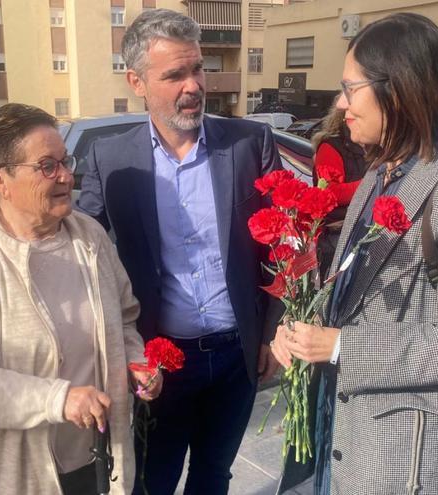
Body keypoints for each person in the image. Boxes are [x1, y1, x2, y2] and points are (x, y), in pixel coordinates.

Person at [270, 13, 438, 494]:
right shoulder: (380, 175)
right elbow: (350, 291)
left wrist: (342, 347)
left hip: (408, 456)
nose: (340, 104)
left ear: (399, 91)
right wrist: (301, 333)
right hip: (348, 432)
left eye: (350, 88)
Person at [76, 9, 282, 494]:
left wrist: (272, 330)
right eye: (174, 75)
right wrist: (3, 215)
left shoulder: (250, 143)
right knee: (155, 479)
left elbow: (282, 246)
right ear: (137, 81)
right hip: (162, 363)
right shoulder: (112, 159)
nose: (193, 86)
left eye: (198, 69)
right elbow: (75, 237)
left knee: (214, 475)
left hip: (238, 356)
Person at [0, 103, 160, 495]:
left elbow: (125, 316)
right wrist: (59, 398)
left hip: (96, 461)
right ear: (0, 180)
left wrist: (138, 364)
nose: (66, 175)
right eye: (47, 166)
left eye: (65, 161)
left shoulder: (90, 237)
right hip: (12, 477)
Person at [310, 101, 366, 280]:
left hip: (363, 228)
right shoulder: (331, 146)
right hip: (338, 233)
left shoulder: (371, 146)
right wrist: (372, 183)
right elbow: (330, 194)